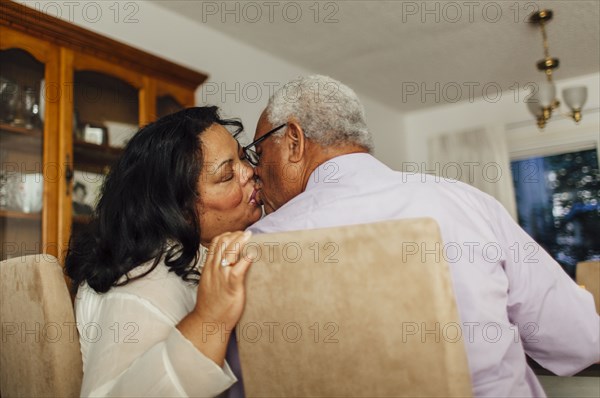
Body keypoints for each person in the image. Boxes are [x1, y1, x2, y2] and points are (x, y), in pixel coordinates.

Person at [245, 75, 600, 397]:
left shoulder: (255, 244)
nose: (256, 171)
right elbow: (579, 339)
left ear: (294, 140)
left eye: (259, 152)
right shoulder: (464, 202)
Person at [65, 107, 262, 397]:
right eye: (226, 175)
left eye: (243, 157)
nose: (250, 172)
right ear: (181, 211)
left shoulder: (189, 258)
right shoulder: (146, 282)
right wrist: (210, 320)